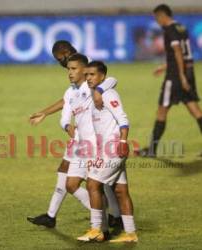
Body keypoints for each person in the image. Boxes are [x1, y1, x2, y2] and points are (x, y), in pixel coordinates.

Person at [27, 41, 122, 229]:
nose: (63, 66)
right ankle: (54, 215)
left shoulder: (88, 73)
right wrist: (59, 120)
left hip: (96, 138)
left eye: (61, 60)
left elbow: (110, 80)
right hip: (80, 138)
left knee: (101, 181)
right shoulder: (73, 86)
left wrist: (99, 91)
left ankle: (112, 217)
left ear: (66, 53)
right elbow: (68, 101)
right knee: (73, 177)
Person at [77, 61, 138, 243]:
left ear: (102, 76)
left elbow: (123, 118)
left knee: (92, 184)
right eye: (86, 74)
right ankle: (130, 233)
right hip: (104, 149)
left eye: (92, 75)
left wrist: (122, 141)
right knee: (120, 190)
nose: (88, 78)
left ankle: (96, 229)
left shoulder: (109, 94)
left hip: (113, 148)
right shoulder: (94, 92)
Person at [141, 4, 202, 157]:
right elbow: (184, 53)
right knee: (195, 110)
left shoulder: (169, 30)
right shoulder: (181, 27)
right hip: (188, 71)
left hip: (175, 76)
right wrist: (166, 66)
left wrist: (180, 75)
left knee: (162, 110)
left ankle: (152, 150)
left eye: (157, 18)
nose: (157, 22)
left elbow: (177, 51)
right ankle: (151, 149)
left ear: (162, 16)